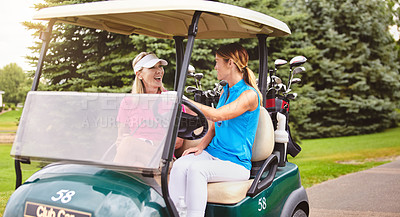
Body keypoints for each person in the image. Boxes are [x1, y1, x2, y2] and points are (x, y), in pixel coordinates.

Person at [168, 43, 262, 217]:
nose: (215, 66)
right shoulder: (226, 90)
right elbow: (215, 126)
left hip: (236, 163)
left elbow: (218, 116)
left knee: (197, 170)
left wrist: (183, 100)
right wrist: (201, 146)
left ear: (230, 63)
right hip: (213, 154)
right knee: (180, 165)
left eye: (217, 61)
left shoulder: (249, 95)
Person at [113, 52, 184, 165]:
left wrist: (145, 144)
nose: (159, 71)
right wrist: (128, 143)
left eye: (160, 66)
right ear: (139, 74)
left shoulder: (171, 100)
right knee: (136, 164)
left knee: (129, 144)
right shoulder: (128, 102)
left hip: (163, 159)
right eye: (152, 67)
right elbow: (120, 137)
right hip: (136, 157)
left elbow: (179, 140)